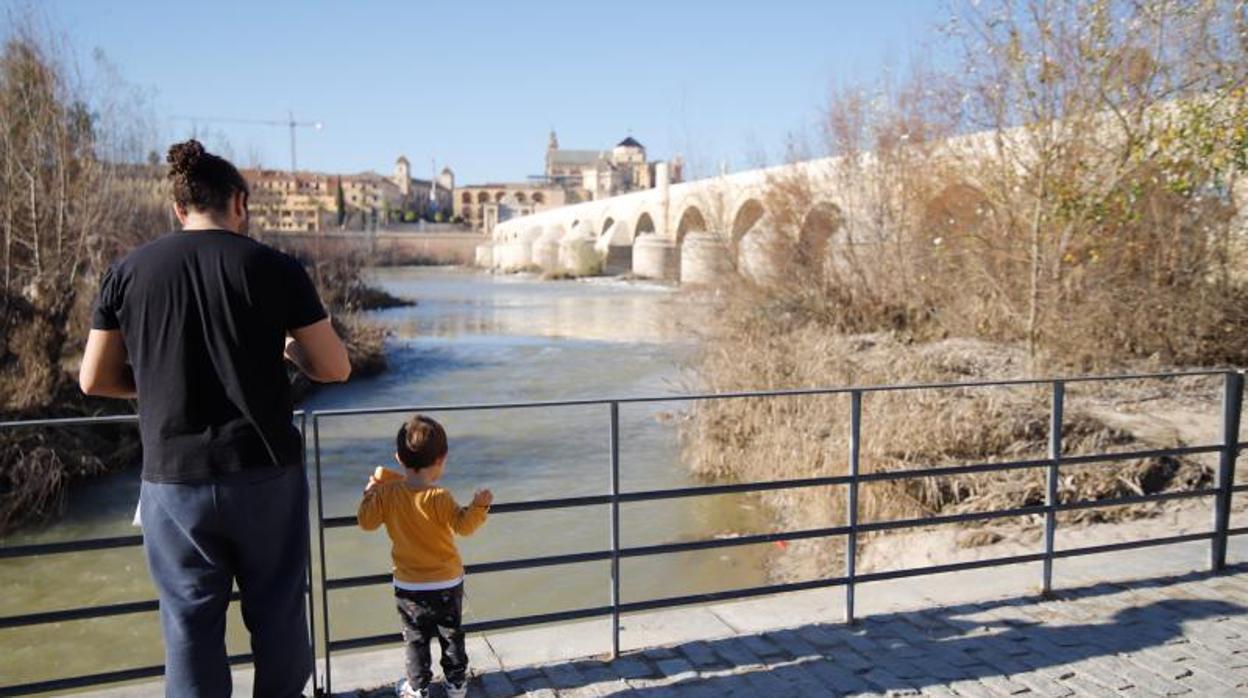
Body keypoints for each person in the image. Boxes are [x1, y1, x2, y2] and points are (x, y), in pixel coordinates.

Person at [79, 139, 351, 697]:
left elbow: (94, 379)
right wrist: (284, 351)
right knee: (276, 612)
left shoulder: (127, 272)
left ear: (179, 208)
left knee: (188, 622)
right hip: (264, 469)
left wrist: (154, 382)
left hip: (173, 477)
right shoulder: (275, 268)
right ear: (240, 203)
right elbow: (334, 367)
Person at [357, 414, 493, 698]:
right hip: (446, 581)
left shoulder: (387, 493)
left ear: (398, 457)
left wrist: (370, 494)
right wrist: (479, 506)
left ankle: (417, 687)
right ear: (441, 459)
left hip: (409, 584)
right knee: (450, 633)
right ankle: (456, 684)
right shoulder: (439, 496)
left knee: (415, 639)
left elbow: (366, 522)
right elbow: (464, 526)